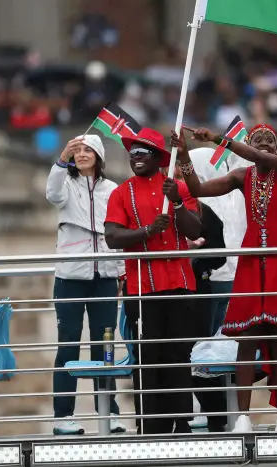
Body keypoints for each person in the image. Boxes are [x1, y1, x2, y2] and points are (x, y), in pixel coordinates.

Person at [174, 124, 277, 434]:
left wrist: (217, 139)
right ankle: (242, 418)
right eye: (258, 140)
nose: (264, 144)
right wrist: (184, 155)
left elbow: (253, 155)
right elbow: (198, 190)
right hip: (252, 263)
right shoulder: (242, 177)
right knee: (246, 339)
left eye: (270, 139)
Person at [104, 128, 203, 435]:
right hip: (141, 288)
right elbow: (112, 237)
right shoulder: (121, 193)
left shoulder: (176, 188)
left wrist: (175, 204)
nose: (135, 157)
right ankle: (150, 425)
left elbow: (195, 229)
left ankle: (181, 422)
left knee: (178, 354)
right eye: (132, 152)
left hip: (180, 283)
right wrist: (147, 231)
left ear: (159, 157)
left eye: (142, 152)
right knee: (148, 355)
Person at [45, 135, 125, 435]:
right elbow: (51, 193)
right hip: (70, 278)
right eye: (76, 151)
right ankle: (63, 415)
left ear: (99, 156)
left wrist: (120, 272)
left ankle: (109, 411)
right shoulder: (64, 183)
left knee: (105, 346)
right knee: (68, 345)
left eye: (87, 150)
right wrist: (61, 157)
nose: (81, 154)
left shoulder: (112, 189)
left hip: (104, 278)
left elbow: (117, 234)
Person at [179, 146, 246, 433]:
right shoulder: (190, 201)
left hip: (230, 281)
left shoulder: (229, 196)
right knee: (199, 346)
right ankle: (204, 408)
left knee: (223, 348)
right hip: (204, 285)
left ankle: (221, 411)